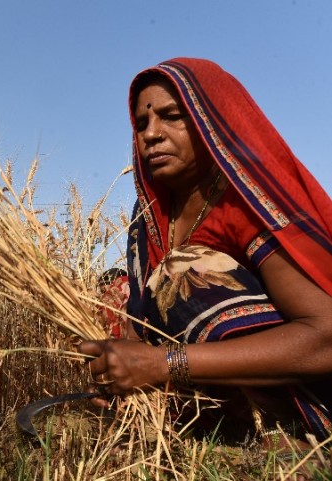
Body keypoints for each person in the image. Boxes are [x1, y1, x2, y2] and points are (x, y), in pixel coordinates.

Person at [78, 58, 332, 446]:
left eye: (171, 116)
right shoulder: (148, 219)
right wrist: (121, 372)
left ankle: (293, 434)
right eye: (142, 124)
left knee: (183, 273)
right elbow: (141, 330)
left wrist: (162, 364)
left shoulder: (247, 202)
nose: (151, 134)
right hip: (219, 400)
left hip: (315, 395)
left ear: (209, 119)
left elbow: (325, 338)